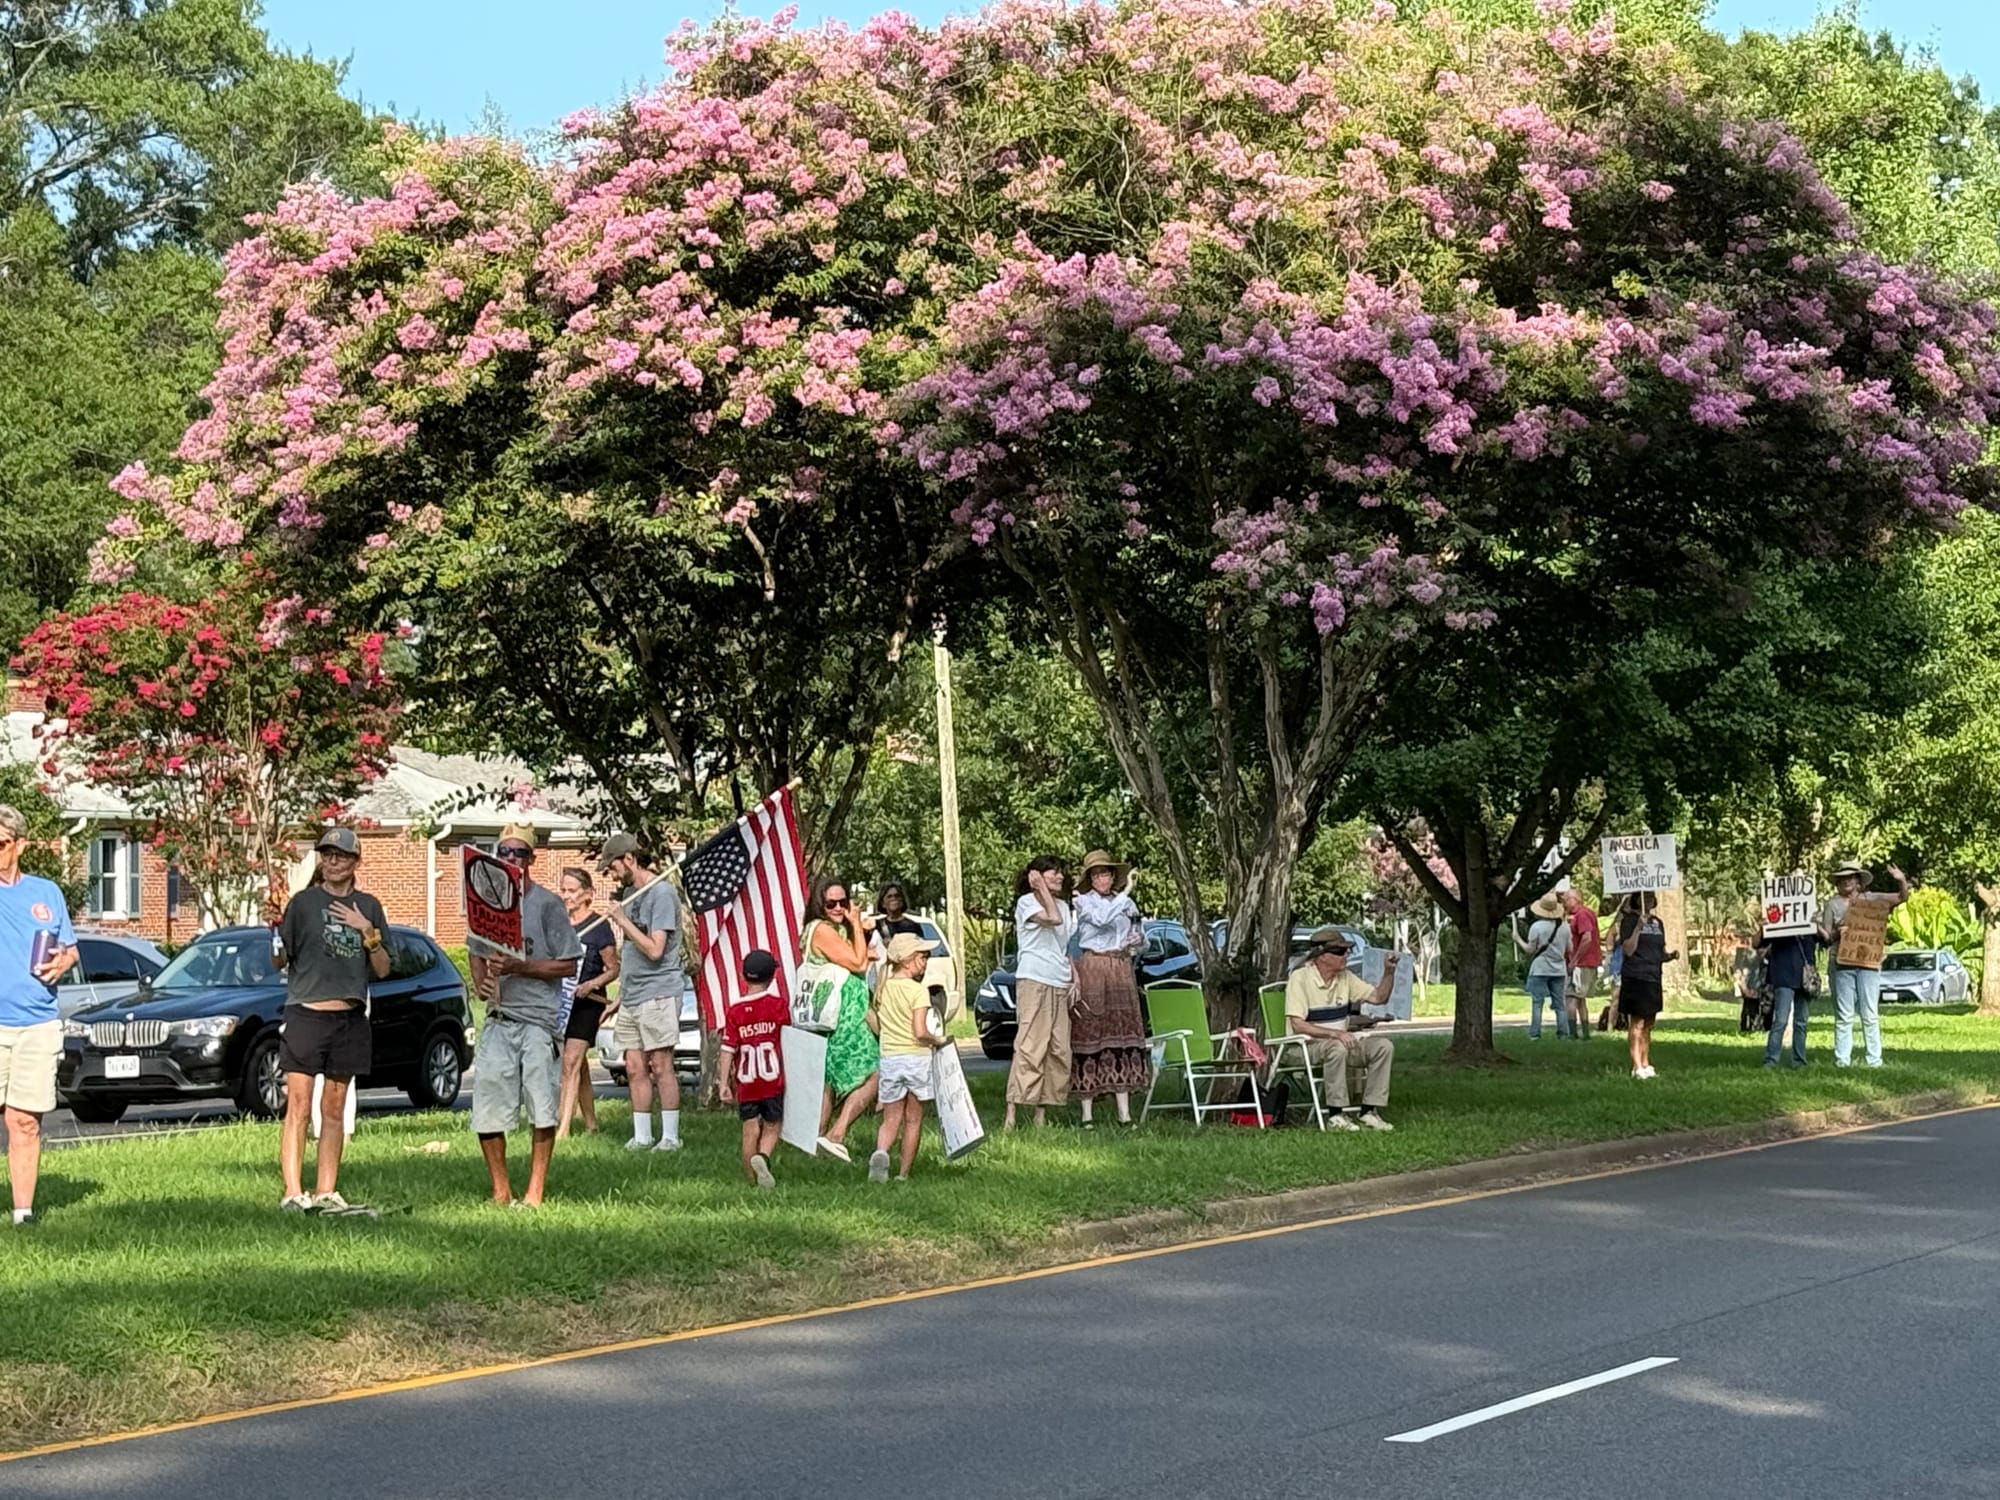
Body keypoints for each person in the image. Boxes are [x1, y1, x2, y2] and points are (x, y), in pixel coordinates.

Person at [271, 827, 389, 1216]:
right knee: (299, 1106)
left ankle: (326, 1191)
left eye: (341, 856)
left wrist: (366, 932)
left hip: (350, 1017)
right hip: (306, 1013)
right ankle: (292, 1191)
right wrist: (273, 932)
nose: (333, 861)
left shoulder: (369, 906)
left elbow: (384, 969)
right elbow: (279, 960)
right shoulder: (303, 903)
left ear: (356, 861)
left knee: (334, 1108)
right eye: (327, 854)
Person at [467, 826, 581, 1206]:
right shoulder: (485, 903)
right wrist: (482, 981)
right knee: (488, 1107)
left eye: (519, 853)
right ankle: (501, 1191)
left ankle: (534, 1192)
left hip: (537, 1021)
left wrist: (523, 967)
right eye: (504, 852)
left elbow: (567, 965)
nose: (511, 859)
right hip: (500, 1019)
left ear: (531, 859)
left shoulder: (547, 905)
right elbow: (476, 950)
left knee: (541, 1107)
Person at [0, 803, 77, 1226]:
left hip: (38, 1022)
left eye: (1, 844)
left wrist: (63, 962)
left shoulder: (46, 892)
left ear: (20, 845)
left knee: (24, 1120)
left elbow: (71, 949)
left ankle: (23, 1214)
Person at [599, 833, 686, 1151]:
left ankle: (671, 1137)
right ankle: (642, 1135)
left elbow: (654, 950)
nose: (611, 874)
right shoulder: (630, 893)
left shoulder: (660, 893)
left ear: (629, 859)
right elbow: (633, 957)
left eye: (612, 866)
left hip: (659, 991)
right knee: (634, 1066)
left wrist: (623, 920)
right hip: (633, 994)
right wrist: (620, 997)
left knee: (660, 1064)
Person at [1283, 928, 1401, 1130]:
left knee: (1383, 1046)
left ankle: (1369, 1111)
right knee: (1335, 1048)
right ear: (1321, 956)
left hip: (1341, 1044)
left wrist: (1389, 972)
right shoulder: (1300, 978)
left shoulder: (1345, 978)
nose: (1346, 955)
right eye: (1339, 952)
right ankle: (1336, 1115)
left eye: (1347, 951)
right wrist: (1335, 1034)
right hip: (1304, 1047)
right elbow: (1297, 1024)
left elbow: (1379, 997)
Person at [799, 877, 878, 1162]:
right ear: (819, 903)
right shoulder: (821, 929)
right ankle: (837, 1133)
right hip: (841, 1020)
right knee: (876, 1072)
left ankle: (815, 1143)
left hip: (835, 1017)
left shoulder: (832, 929)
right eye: (830, 903)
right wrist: (856, 923)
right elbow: (857, 963)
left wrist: (861, 937)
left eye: (842, 902)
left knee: (828, 1081)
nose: (837, 907)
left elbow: (858, 955)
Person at [1070, 849, 1149, 1126]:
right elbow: (1101, 919)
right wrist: (1127, 890)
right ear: (1090, 879)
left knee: (1121, 1032)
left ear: (1112, 875)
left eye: (1105, 873)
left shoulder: (1125, 903)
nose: (1101, 879)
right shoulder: (1082, 900)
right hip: (1094, 966)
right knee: (1091, 1032)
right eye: (1096, 874)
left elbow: (1142, 938)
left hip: (1120, 966)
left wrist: (1135, 940)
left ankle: (1124, 1113)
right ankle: (1087, 1114)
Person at [868, 932, 948, 1181]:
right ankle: (903, 1174)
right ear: (907, 960)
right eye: (922, 956)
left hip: (890, 1058)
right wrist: (939, 1040)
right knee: (913, 1119)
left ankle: (881, 1152)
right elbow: (920, 1032)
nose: (926, 961)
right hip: (916, 1057)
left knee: (891, 1118)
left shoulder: (883, 988)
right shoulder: (918, 991)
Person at [1818, 860, 1910, 1068]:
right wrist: (1836, 931)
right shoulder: (1832, 905)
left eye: (1850, 877)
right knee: (1844, 1015)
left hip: (1868, 963)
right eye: (1841, 878)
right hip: (1841, 963)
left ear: (1859, 881)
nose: (1845, 881)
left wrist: (1901, 880)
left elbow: (1901, 898)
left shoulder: (1872, 899)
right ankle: (1842, 1061)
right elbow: (1825, 938)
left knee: (1870, 1013)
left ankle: (1874, 1061)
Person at [1006, 854, 1075, 1130]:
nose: (1060, 877)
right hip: (1033, 979)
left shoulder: (1064, 905)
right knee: (1029, 1046)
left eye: (1060, 874)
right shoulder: (1026, 903)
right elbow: (1053, 920)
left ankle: (1040, 1115)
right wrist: (1041, 889)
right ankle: (1011, 1112)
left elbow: (1063, 946)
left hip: (1059, 981)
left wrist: (1074, 977)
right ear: (1036, 876)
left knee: (1057, 1048)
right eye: (1053, 873)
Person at [556, 868, 619, 1139]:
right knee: (577, 1064)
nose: (566, 896)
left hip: (588, 1002)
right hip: (563, 1000)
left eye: (572, 891)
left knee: (570, 1062)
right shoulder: (560, 924)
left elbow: (614, 969)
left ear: (587, 894)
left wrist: (592, 984)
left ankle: (562, 1129)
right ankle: (591, 1124)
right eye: (564, 890)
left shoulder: (599, 926)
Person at [719, 950, 788, 1189]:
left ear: (743, 976)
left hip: (747, 1082)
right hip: (772, 1079)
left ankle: (751, 1181)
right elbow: (788, 1038)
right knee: (772, 1125)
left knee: (749, 1129)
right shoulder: (778, 1006)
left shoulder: (735, 1010)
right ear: (772, 977)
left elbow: (728, 1048)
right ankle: (764, 1157)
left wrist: (723, 1084)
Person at [1617, 893, 1676, 1079]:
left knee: (1649, 1023)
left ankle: (1645, 1062)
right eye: (1645, 897)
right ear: (1637, 899)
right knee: (1637, 1022)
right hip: (1636, 976)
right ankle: (1636, 1066)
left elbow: (1659, 951)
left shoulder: (1658, 923)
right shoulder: (1629, 921)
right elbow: (1628, 949)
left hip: (1653, 977)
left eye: (1651, 897)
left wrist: (1670, 956)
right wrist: (1638, 928)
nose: (1649, 900)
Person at [1758, 927, 1820, 1068]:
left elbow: (1826, 938)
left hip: (1804, 978)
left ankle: (1799, 1061)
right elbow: (1756, 942)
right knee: (1780, 1021)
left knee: (1801, 1021)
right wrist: (1765, 925)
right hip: (1783, 975)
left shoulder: (1810, 924)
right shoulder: (1779, 923)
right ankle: (1771, 1060)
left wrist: (1816, 924)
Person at [1514, 894, 1573, 1040]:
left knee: (1537, 1002)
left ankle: (1535, 1034)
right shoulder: (1565, 927)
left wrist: (1517, 939)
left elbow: (1530, 949)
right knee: (1560, 1004)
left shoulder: (1536, 927)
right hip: (1559, 969)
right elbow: (1570, 948)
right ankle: (1563, 1034)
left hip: (1540, 968)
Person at [1562, 889, 1602, 1039]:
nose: (1565, 904)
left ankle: (1573, 1033)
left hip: (1582, 963)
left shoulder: (1582, 915)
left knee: (1570, 997)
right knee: (1580, 999)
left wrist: (1574, 960)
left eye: (1566, 900)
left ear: (1575, 899)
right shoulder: (1585, 914)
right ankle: (1585, 1033)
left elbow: (1587, 938)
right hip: (1587, 962)